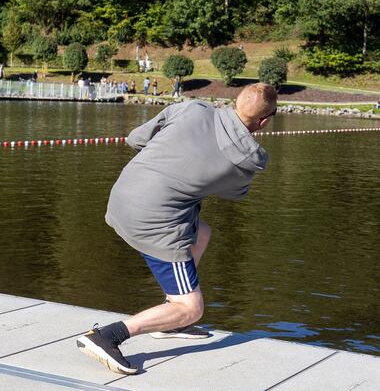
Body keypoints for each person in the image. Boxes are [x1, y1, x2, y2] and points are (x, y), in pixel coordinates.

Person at [77, 83, 278, 375]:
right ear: (264, 121)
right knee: (192, 307)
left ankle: (174, 322)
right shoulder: (248, 159)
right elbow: (235, 194)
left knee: (202, 233)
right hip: (155, 223)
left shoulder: (190, 109)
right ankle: (108, 336)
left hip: (121, 198)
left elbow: (135, 139)